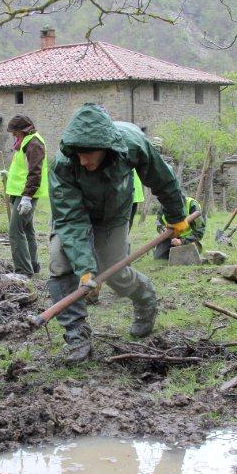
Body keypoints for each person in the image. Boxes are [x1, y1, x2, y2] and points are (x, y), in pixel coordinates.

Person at [48, 103, 189, 363]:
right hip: (73, 215)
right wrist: (85, 268)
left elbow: (162, 178)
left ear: (106, 147)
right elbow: (70, 219)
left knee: (113, 271)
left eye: (89, 154)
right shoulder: (63, 163)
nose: (82, 160)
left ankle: (145, 298)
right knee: (60, 265)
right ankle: (77, 336)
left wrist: (176, 215)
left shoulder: (132, 143)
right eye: (78, 154)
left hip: (114, 213)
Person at [5, 115, 47, 277]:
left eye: (15, 131)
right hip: (19, 192)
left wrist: (27, 197)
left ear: (23, 130)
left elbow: (35, 172)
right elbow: (23, 169)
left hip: (26, 194)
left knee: (15, 231)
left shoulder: (34, 143)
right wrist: (8, 175)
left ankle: (23, 271)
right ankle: (33, 266)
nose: (13, 135)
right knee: (27, 230)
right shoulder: (24, 142)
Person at [153, 196, 205, 260]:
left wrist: (181, 241)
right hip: (170, 238)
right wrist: (163, 230)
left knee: (184, 258)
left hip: (188, 240)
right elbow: (158, 222)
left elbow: (199, 232)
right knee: (159, 257)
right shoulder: (164, 205)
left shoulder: (192, 204)